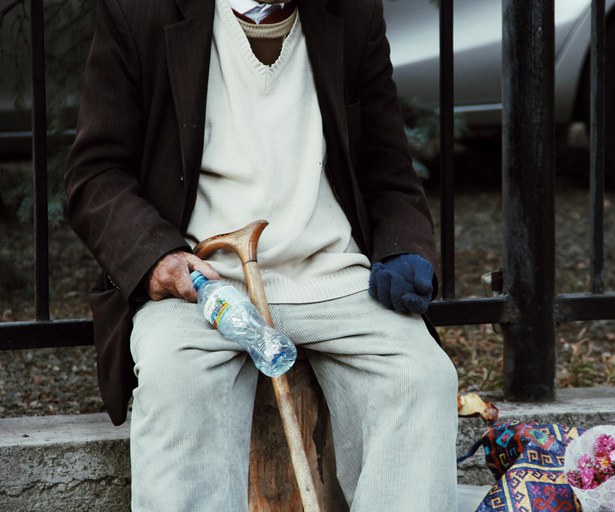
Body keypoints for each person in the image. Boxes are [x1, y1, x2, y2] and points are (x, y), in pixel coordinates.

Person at [64, 0, 459, 510]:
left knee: (421, 378)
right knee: (176, 384)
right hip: (203, 282)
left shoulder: (352, 11)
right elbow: (96, 174)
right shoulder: (141, 11)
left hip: (333, 274)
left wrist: (404, 248)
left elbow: (387, 166)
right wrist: (158, 258)